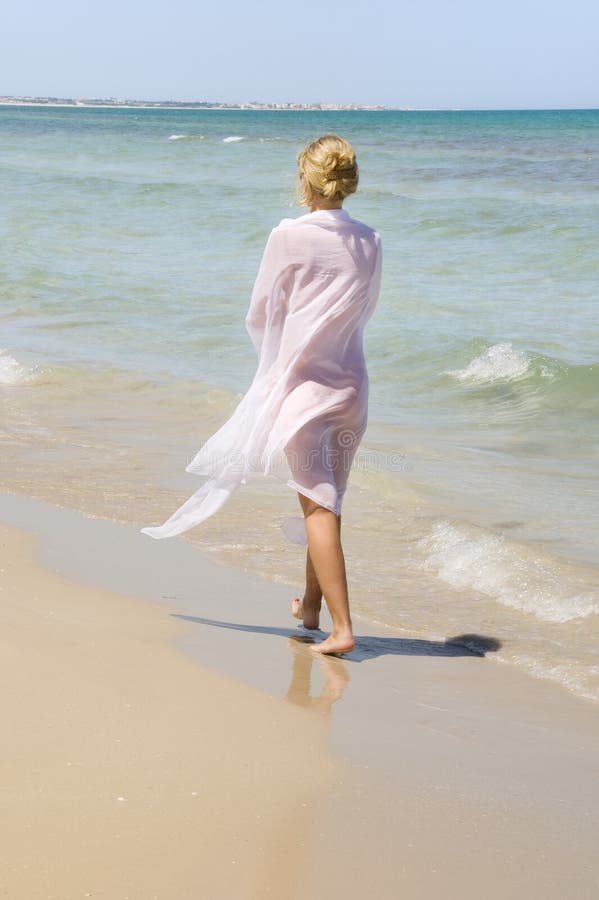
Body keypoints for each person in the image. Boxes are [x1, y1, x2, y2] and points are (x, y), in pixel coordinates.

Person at [142, 133, 382, 656]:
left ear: (305, 179)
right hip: (353, 386)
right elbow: (365, 310)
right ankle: (313, 608)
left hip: (306, 388)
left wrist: (278, 356)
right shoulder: (371, 240)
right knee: (327, 500)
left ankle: (342, 630)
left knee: (318, 506)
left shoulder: (289, 235)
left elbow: (260, 311)